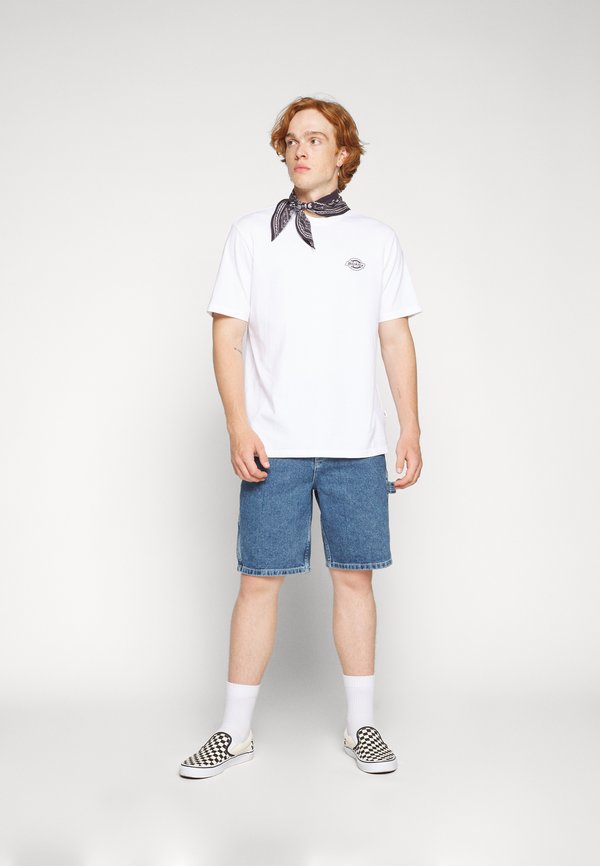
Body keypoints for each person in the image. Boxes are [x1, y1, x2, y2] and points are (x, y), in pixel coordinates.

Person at [179, 96, 423, 779]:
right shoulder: (251, 234)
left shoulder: (377, 240)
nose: (299, 149)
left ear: (343, 153)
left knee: (355, 581)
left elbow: (395, 338)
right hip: (275, 444)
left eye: (315, 138)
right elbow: (227, 335)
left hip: (357, 446)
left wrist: (410, 426)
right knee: (258, 583)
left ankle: (362, 727)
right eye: (291, 140)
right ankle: (233, 733)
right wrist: (238, 424)